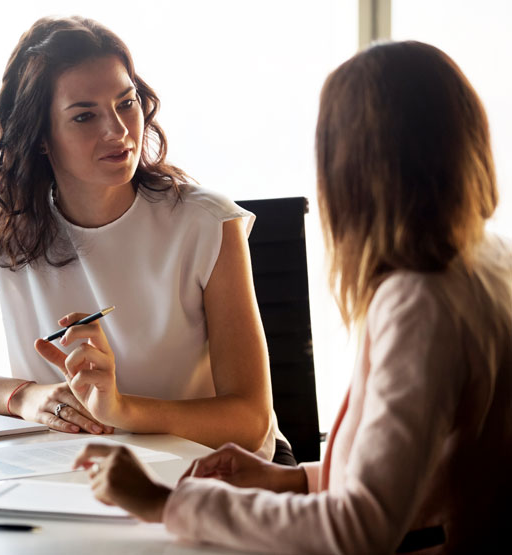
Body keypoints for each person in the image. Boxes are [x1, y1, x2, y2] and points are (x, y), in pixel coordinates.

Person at [72, 41, 512, 553]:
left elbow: (356, 530)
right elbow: (422, 477)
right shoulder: (488, 260)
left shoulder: (418, 301)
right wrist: (293, 480)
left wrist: (162, 503)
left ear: (351, 167)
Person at [0, 15, 290, 459]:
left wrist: (121, 409)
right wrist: (23, 397)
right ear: (41, 136)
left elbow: (250, 420)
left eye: (127, 103)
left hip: (215, 474)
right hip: (74, 474)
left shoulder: (206, 223)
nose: (119, 131)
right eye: (85, 115)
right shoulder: (4, 222)